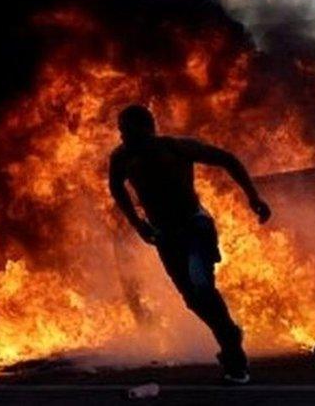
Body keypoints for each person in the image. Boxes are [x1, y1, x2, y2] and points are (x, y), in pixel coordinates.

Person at [108, 105, 271, 384]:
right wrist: (138, 224)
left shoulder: (176, 148)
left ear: (146, 129)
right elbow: (116, 188)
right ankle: (229, 333)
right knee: (192, 299)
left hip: (195, 226)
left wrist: (253, 197)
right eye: (121, 130)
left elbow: (227, 159)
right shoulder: (122, 158)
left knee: (202, 284)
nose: (122, 135)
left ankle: (233, 357)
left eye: (127, 130)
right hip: (164, 235)